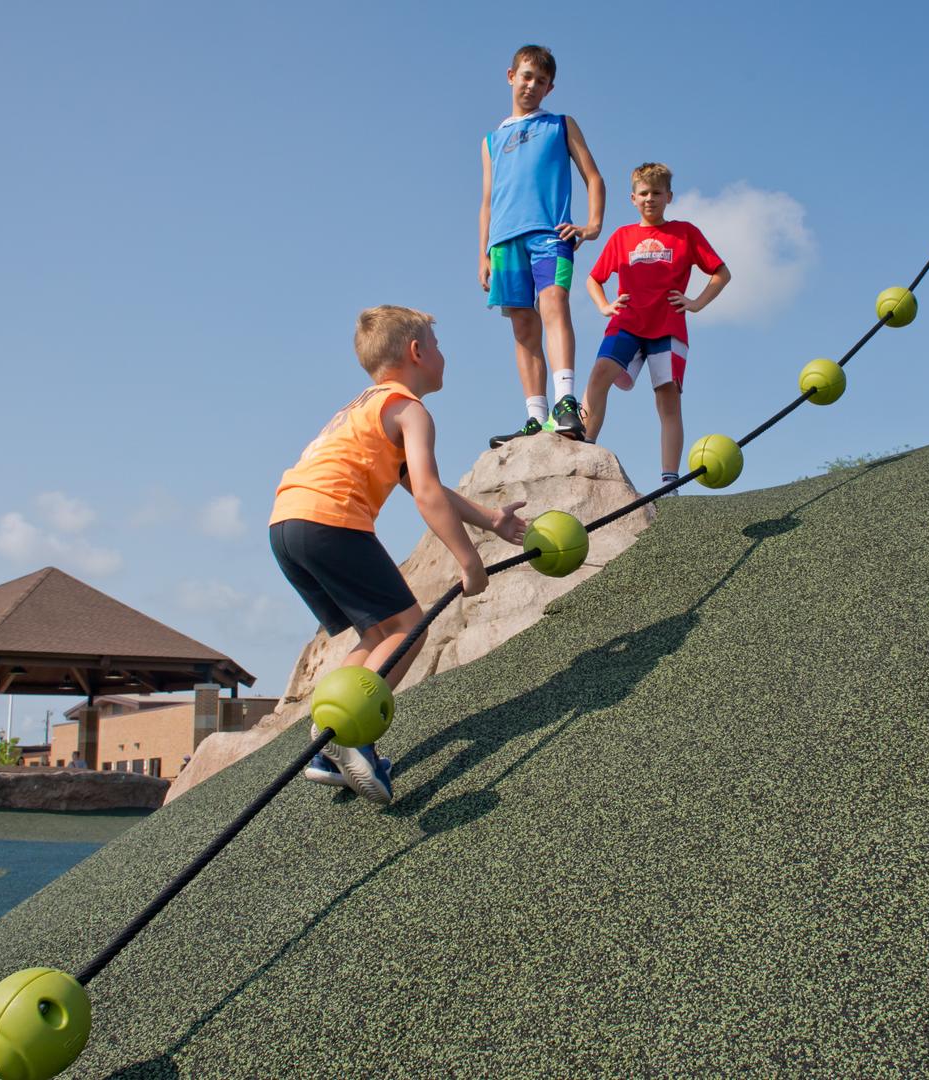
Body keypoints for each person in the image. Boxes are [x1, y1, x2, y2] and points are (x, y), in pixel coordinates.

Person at [270, 306, 529, 804]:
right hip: (331, 519)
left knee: (377, 632)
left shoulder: (365, 408)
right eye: (436, 344)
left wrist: (491, 518)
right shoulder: (410, 409)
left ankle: (326, 743)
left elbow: (423, 487)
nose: (442, 355)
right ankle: (352, 734)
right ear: (416, 352)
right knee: (412, 627)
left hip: (287, 522)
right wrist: (469, 560)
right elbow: (428, 494)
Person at [479, 44, 605, 447]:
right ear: (510, 75)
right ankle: (535, 417)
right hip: (504, 241)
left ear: (550, 88)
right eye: (526, 76)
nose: (531, 85)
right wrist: (482, 253)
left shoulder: (561, 125)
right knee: (521, 325)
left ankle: (565, 402)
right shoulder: (491, 139)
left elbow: (594, 177)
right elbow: (487, 199)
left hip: (551, 234)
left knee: (554, 304)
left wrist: (592, 225)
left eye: (541, 81)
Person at [581, 162, 731, 486]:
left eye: (657, 193)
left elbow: (722, 273)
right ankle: (584, 446)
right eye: (644, 193)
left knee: (667, 398)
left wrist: (696, 303)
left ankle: (668, 481)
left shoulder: (685, 232)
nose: (650, 198)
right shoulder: (622, 236)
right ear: (632, 198)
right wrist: (605, 305)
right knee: (599, 373)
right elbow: (594, 278)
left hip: (668, 326)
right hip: (627, 321)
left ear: (669, 197)